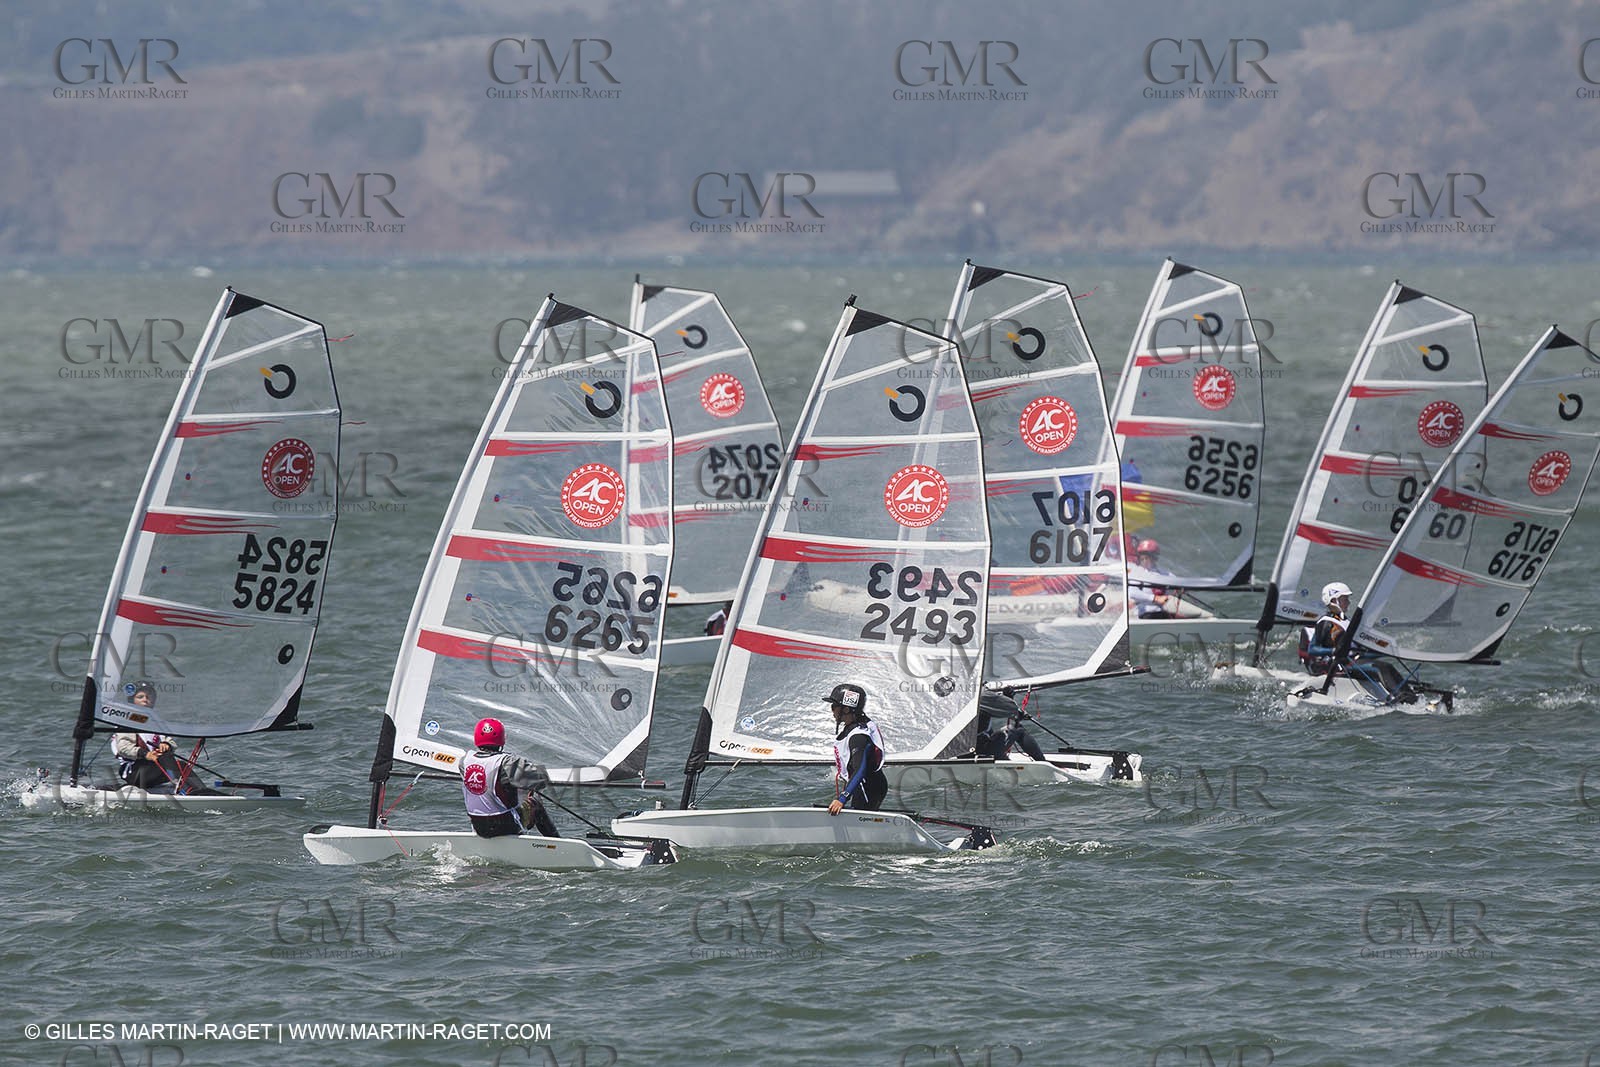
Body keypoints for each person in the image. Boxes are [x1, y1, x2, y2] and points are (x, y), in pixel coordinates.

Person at [1301, 582, 1407, 699]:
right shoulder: (1325, 622)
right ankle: (1401, 697)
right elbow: (1312, 649)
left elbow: (1356, 648)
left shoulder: (1347, 622)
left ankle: (1409, 695)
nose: (1348, 602)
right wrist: (1333, 651)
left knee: (1388, 666)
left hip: (1355, 660)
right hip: (1343, 665)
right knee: (1381, 667)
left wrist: (1383, 651)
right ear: (1334, 600)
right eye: (1344, 599)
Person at [460, 717, 559, 838]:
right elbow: (541, 780)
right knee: (535, 801)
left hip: (479, 827)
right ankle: (555, 841)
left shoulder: (464, 761)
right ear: (502, 739)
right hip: (506, 827)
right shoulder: (507, 762)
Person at [823, 684, 888, 814]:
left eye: (834, 706)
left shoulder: (858, 736)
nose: (832, 710)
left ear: (846, 710)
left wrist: (842, 799)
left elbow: (860, 770)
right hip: (863, 785)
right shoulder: (854, 726)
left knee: (861, 825)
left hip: (868, 788)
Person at [113, 683, 186, 791]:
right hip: (134, 771)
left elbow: (171, 742)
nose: (145, 700)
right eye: (140, 697)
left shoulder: (156, 722)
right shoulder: (126, 721)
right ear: (132, 700)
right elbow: (123, 748)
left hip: (155, 768)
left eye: (149, 697)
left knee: (181, 765)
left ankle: (199, 791)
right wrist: (146, 754)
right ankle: (182, 789)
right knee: (173, 765)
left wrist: (166, 745)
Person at [974, 690, 1046, 762]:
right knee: (1018, 729)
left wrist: (1004, 697)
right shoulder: (981, 695)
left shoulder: (964, 697)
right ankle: (1042, 762)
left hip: (965, 753)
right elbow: (1012, 709)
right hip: (982, 752)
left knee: (985, 732)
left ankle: (1003, 758)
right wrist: (1008, 699)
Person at [1126, 538, 1177, 619]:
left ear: (1154, 558)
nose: (1144, 561)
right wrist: (1155, 598)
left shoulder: (1163, 573)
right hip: (1145, 614)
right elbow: (1133, 592)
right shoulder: (1137, 573)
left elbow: (1177, 582)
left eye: (1147, 558)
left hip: (1163, 612)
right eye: (1142, 559)